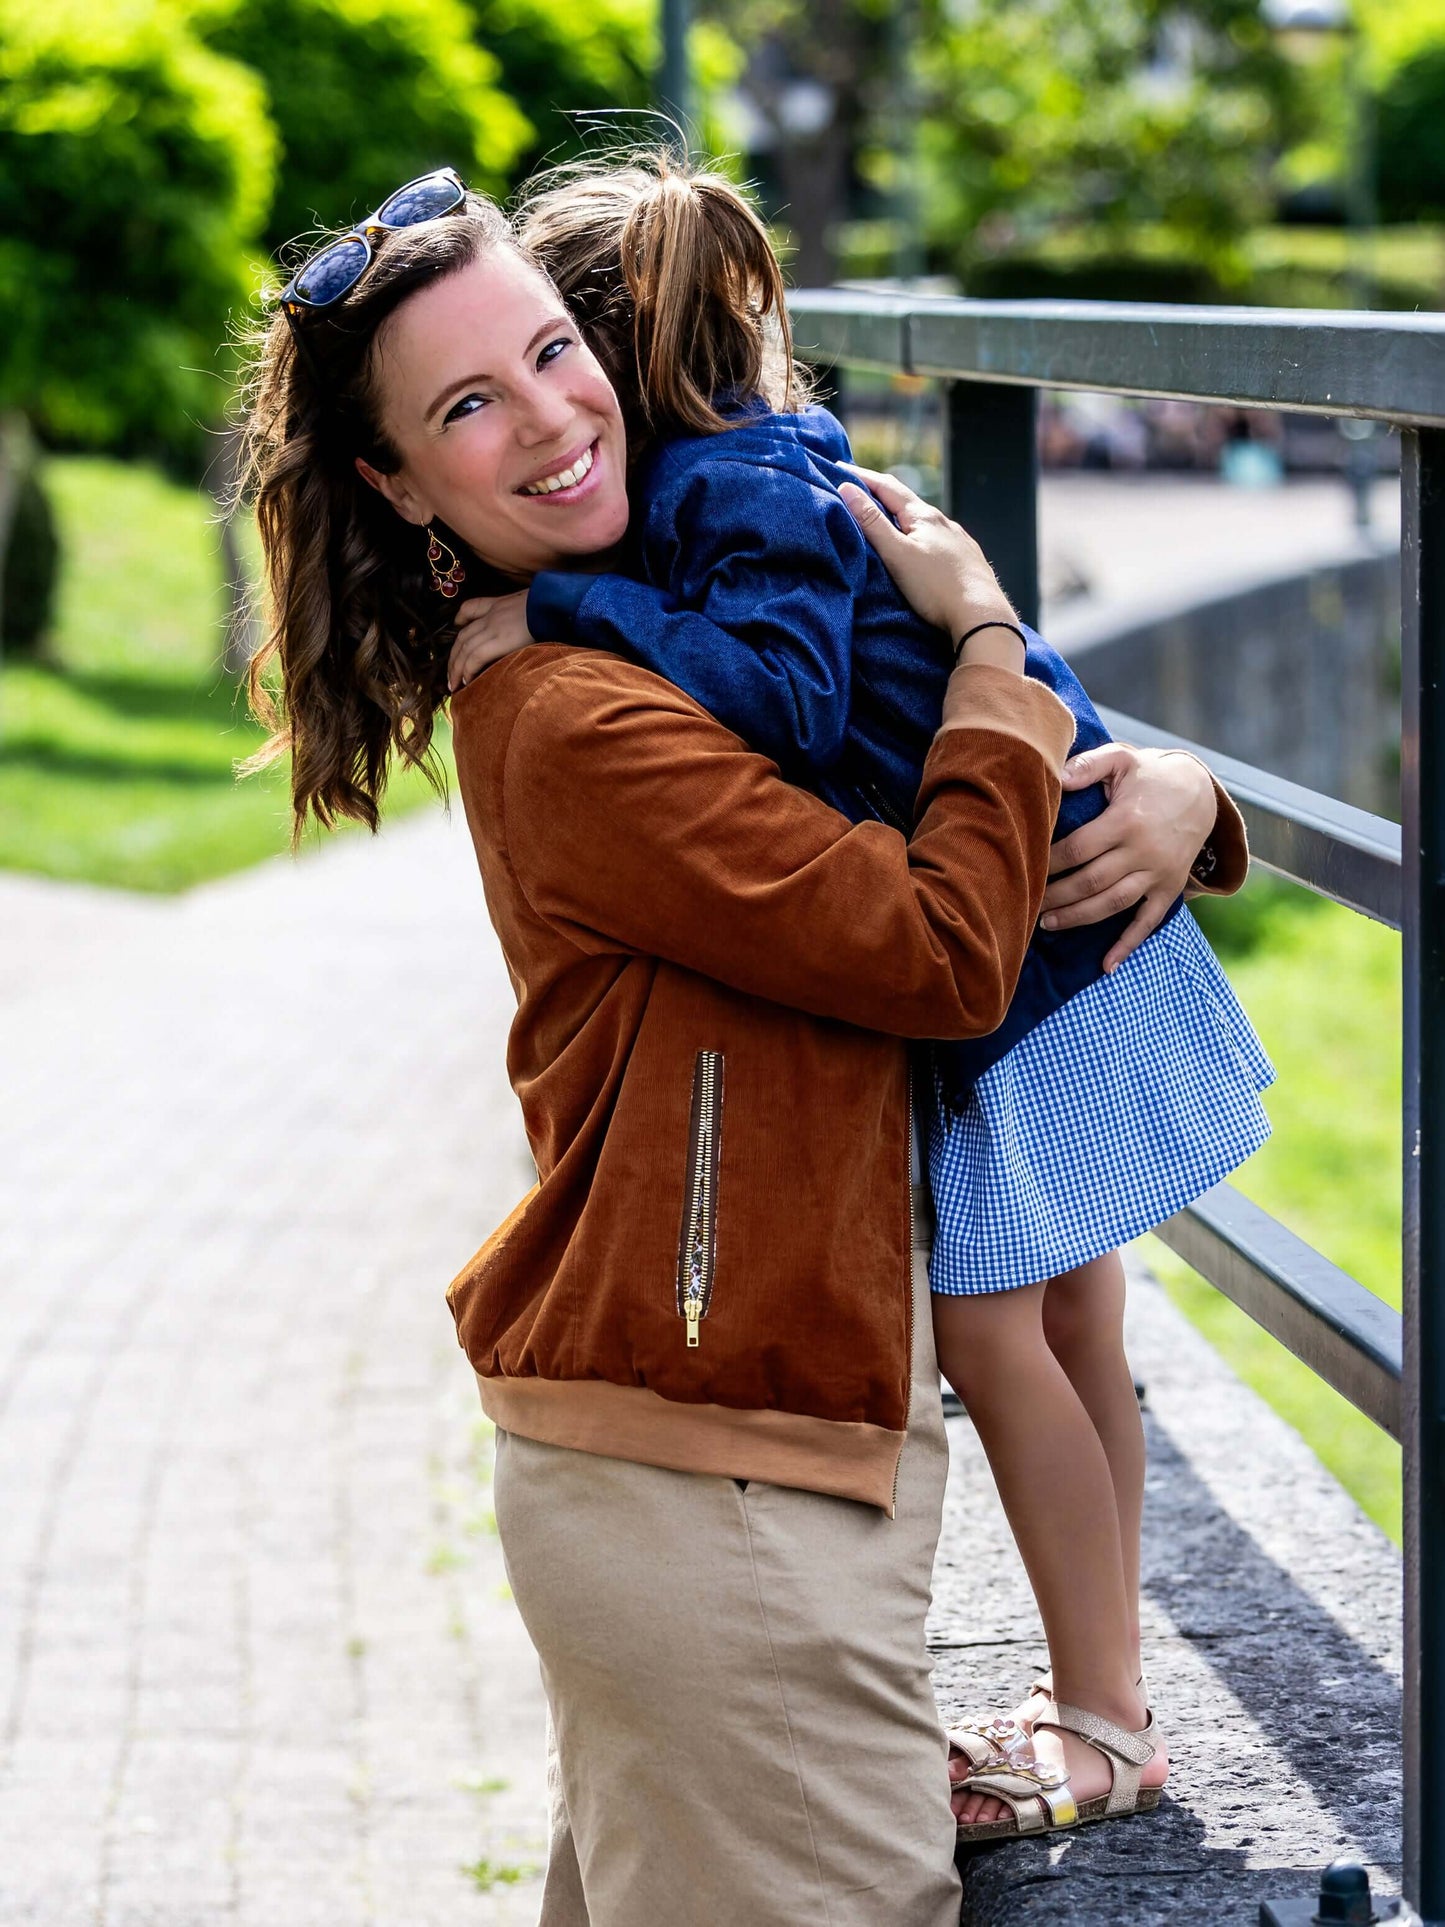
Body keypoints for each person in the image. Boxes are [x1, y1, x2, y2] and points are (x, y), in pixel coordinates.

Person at [237, 171, 1251, 1920]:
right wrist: (997, 644)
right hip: (714, 1501)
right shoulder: (571, 707)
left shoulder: (665, 579)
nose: (553, 413)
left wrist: (1177, 792)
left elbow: (877, 736)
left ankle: (1101, 1699)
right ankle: (1107, 1705)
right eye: (469, 404)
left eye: (558, 354)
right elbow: (937, 939)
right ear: (395, 486)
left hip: (733, 1463)